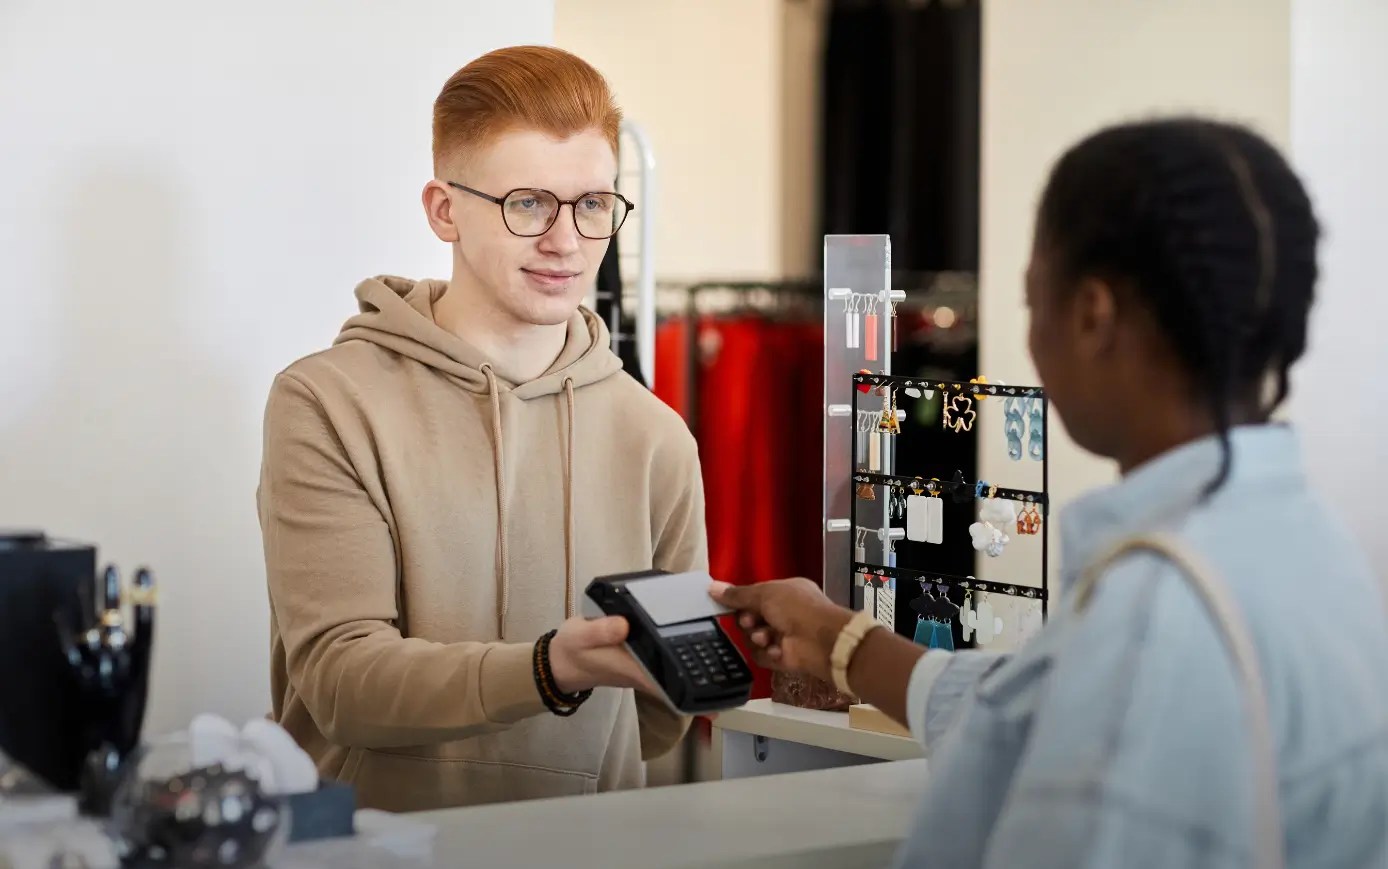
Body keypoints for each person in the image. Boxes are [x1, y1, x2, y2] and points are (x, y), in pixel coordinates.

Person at [712, 118, 1388, 868]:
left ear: (1092, 313)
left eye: (1033, 298)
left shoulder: (1151, 618)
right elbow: (1029, 704)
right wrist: (841, 639)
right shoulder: (1315, 550)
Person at [257, 46, 705, 812]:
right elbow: (340, 681)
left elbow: (665, 711)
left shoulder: (655, 435)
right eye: (527, 203)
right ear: (444, 209)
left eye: (593, 204)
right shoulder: (328, 402)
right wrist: (544, 670)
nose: (566, 241)